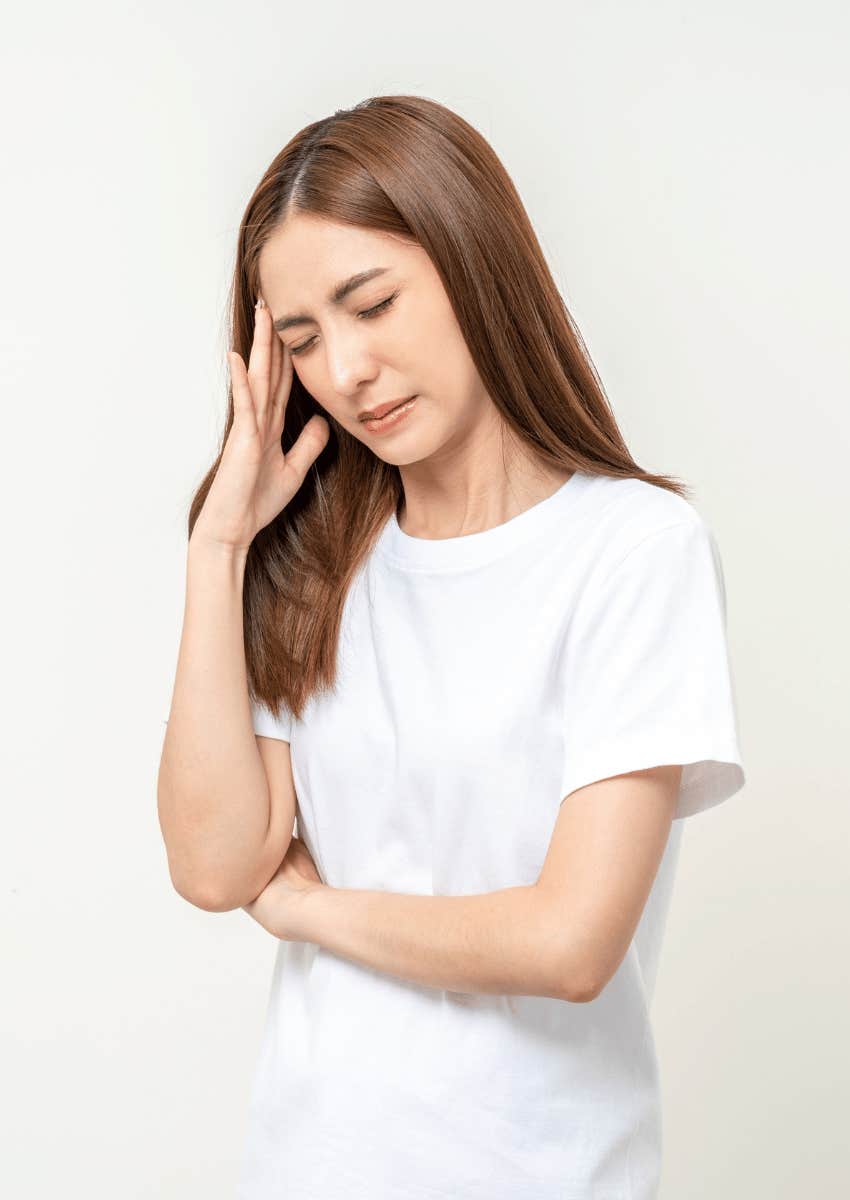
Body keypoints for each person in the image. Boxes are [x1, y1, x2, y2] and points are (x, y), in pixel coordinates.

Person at [157, 94, 746, 1200]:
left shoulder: (631, 551)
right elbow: (214, 864)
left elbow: (571, 942)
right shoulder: (320, 566)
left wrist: (310, 911)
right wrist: (219, 545)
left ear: (471, 258)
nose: (348, 369)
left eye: (371, 304)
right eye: (302, 340)